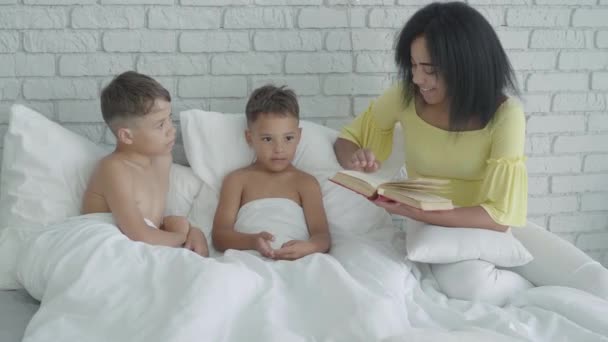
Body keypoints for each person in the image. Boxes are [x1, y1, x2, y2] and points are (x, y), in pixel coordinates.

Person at [334, 2, 608, 303]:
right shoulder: (404, 97)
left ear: (466, 67)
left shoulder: (505, 114)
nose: (417, 79)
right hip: (435, 229)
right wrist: (355, 159)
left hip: (484, 223)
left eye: (429, 70)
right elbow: (347, 139)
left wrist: (416, 210)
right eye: (413, 65)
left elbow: (500, 217)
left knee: (595, 280)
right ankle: (539, 302)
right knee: (476, 288)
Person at [82, 71, 208, 257]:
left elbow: (151, 223)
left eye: (169, 119)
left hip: (148, 246)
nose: (171, 130)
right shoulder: (113, 168)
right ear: (126, 136)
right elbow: (138, 234)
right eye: (160, 125)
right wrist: (181, 234)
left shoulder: (162, 160)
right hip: (110, 251)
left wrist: (193, 231)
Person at [212, 85, 331, 260]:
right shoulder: (237, 180)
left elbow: (322, 236)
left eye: (288, 138)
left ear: (298, 136)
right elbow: (220, 236)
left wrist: (308, 247)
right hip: (249, 259)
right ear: (249, 138)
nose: (279, 149)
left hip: (297, 260)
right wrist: (252, 241)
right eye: (268, 139)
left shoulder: (306, 183)